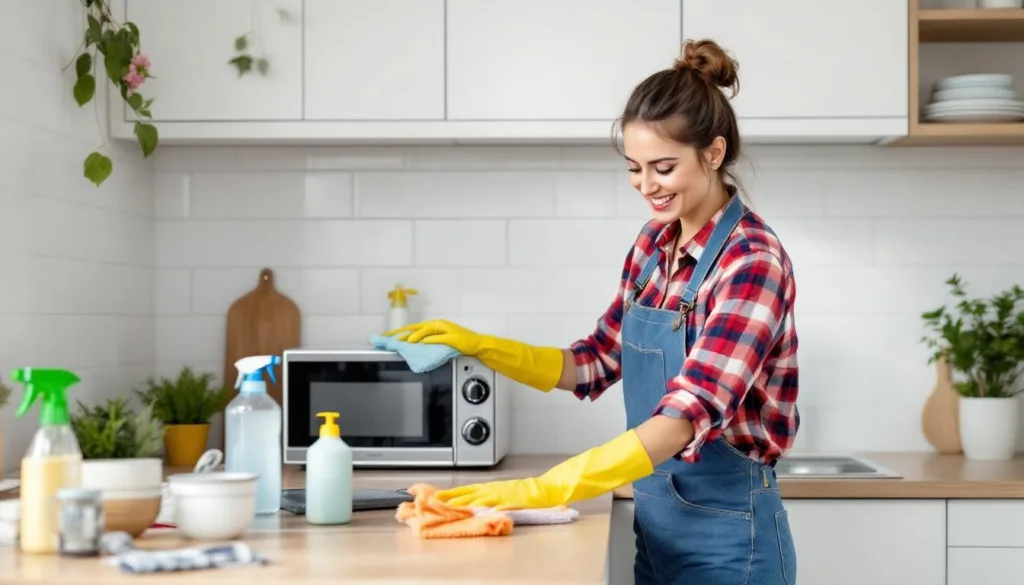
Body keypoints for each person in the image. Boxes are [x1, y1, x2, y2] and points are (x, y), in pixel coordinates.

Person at [388, 38, 799, 585]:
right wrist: (478, 345)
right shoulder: (654, 247)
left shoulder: (751, 261)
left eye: (663, 167)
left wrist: (548, 487)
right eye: (634, 168)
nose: (646, 186)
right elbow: (593, 363)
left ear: (715, 153)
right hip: (656, 531)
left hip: (729, 539)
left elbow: (682, 421)